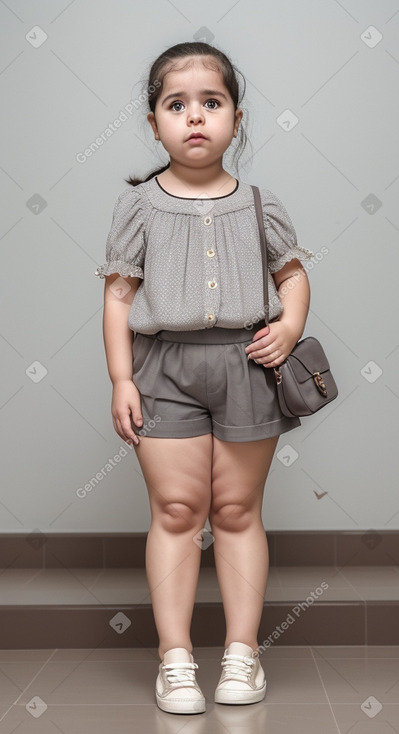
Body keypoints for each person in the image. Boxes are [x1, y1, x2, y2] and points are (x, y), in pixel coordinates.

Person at [96, 40, 314, 716]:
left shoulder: (258, 202)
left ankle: (243, 653)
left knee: (235, 511)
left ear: (236, 119)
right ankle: (176, 659)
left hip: (247, 364)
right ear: (155, 121)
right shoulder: (137, 207)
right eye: (176, 104)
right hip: (162, 367)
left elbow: (293, 274)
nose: (195, 117)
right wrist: (121, 379)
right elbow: (118, 297)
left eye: (210, 103)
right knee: (177, 512)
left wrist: (288, 325)